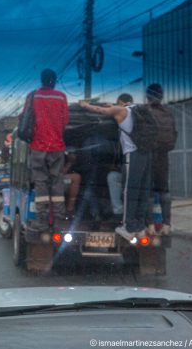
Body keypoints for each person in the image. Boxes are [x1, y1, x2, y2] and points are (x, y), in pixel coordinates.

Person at [79, 94, 152, 241]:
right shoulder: (139, 111)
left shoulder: (121, 111)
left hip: (133, 154)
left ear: (120, 102)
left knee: (129, 191)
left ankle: (128, 227)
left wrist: (85, 106)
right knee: (142, 191)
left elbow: (101, 111)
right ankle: (140, 226)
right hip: (147, 154)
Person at [27, 69, 69, 232]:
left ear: (41, 80)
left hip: (38, 146)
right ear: (54, 81)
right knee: (57, 182)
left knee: (41, 182)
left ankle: (42, 221)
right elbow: (65, 121)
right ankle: (59, 221)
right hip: (57, 146)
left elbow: (25, 118)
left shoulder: (32, 96)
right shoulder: (61, 97)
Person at [144, 84, 177, 236]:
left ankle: (150, 224)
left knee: (149, 192)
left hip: (149, 156)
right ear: (161, 95)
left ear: (147, 96)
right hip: (163, 156)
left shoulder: (143, 111)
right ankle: (167, 224)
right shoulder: (169, 112)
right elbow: (174, 135)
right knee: (164, 191)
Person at [63, 151, 81, 220]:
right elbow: (58, 174)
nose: (74, 155)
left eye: (75, 153)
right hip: (55, 182)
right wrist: (70, 162)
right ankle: (70, 209)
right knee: (76, 177)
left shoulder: (81, 161)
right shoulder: (58, 156)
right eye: (71, 153)